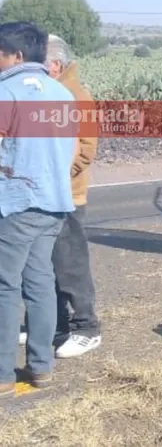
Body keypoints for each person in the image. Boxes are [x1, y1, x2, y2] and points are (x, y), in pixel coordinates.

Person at [0, 22, 77, 397]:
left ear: (15, 56)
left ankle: (2, 375)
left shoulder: (5, 93)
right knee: (41, 283)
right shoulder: (63, 94)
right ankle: (41, 367)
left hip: (13, 205)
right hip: (54, 202)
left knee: (4, 287)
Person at [44, 34, 102, 357]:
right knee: (47, 263)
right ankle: (57, 324)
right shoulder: (50, 94)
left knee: (71, 263)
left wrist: (50, 176)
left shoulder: (76, 97)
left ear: (55, 65)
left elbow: (84, 153)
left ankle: (86, 327)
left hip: (69, 196)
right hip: (47, 194)